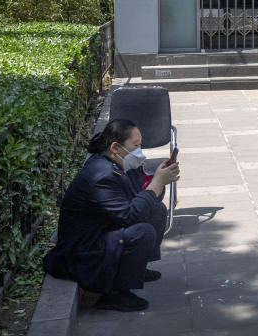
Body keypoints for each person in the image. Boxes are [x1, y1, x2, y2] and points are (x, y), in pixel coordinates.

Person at [43, 118, 181, 311]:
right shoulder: (102, 175)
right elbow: (130, 215)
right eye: (136, 145)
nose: (139, 151)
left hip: (102, 230)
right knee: (143, 231)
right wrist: (157, 183)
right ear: (115, 147)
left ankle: (136, 269)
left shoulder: (116, 164)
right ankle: (114, 293)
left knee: (156, 211)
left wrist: (158, 179)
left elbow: (139, 198)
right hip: (82, 251)